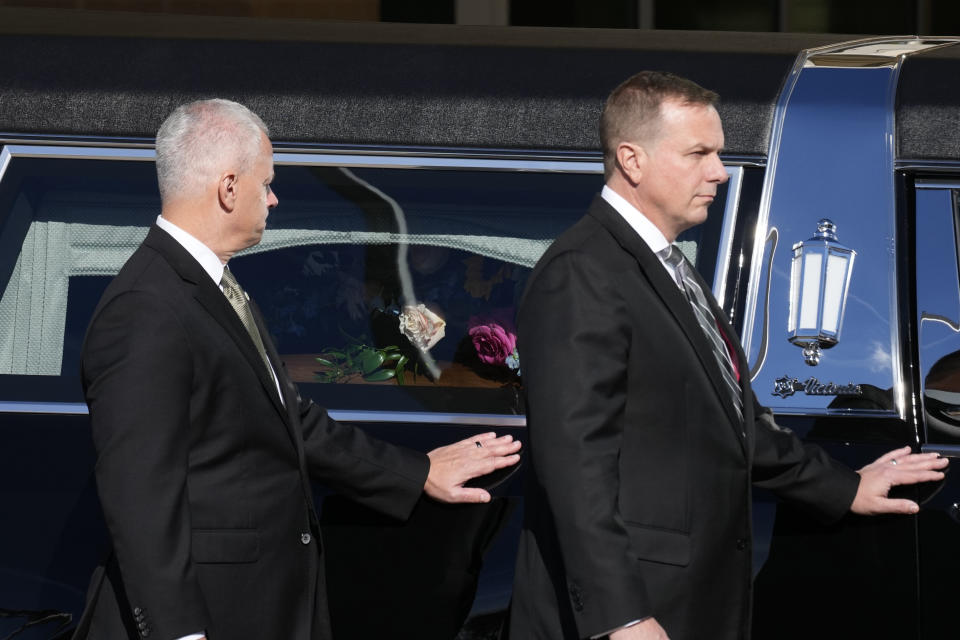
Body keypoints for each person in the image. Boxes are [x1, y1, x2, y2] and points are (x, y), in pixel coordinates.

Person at [505, 71, 947, 640]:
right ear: (631, 160)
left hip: (690, 599)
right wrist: (623, 616)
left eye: (717, 153)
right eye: (698, 153)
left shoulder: (666, 264)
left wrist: (844, 488)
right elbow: (574, 464)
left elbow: (731, 422)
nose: (718, 170)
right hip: (640, 606)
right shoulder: (584, 273)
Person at [75, 99, 521, 640]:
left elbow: (291, 420)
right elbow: (140, 496)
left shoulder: (210, 287)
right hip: (211, 617)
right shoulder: (147, 307)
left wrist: (417, 472)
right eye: (267, 183)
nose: (275, 197)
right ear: (229, 188)